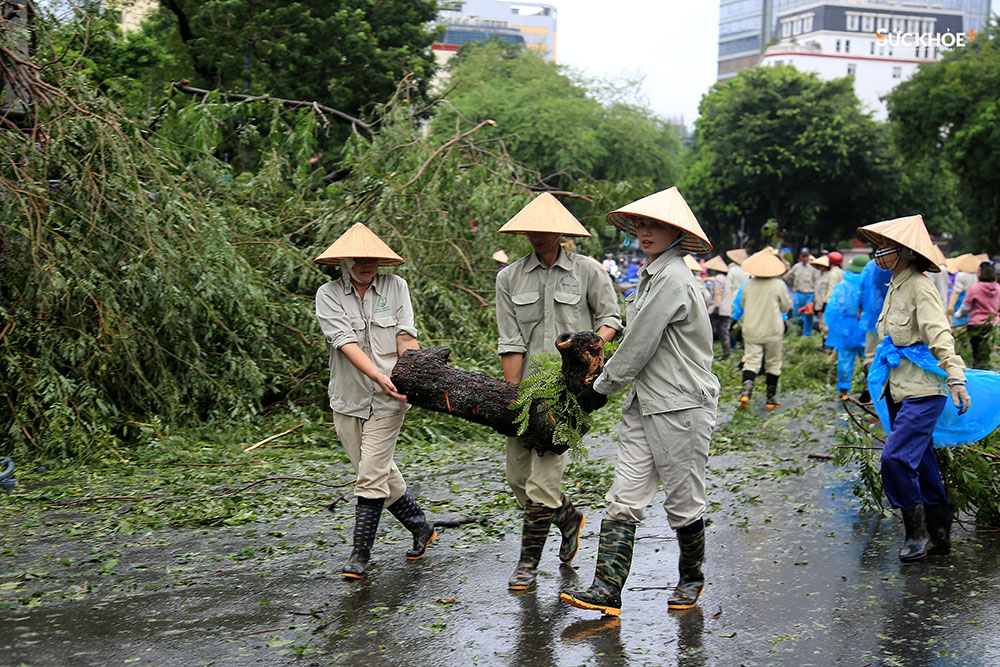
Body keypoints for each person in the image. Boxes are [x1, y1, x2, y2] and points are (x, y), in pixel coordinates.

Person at [561, 187, 719, 617]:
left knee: (683, 501)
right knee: (623, 498)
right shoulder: (651, 275)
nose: (645, 232)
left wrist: (597, 390)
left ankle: (691, 578)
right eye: (641, 225)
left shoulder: (673, 278)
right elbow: (636, 345)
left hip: (681, 406)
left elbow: (639, 344)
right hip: (644, 403)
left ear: (677, 233)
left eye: (656, 225)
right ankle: (606, 589)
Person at [495, 192, 622, 592]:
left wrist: (590, 352)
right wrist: (509, 397)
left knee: (542, 482)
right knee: (517, 476)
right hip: (529, 388)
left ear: (561, 232)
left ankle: (527, 565)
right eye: (530, 229)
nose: (537, 235)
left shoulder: (589, 271)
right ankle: (567, 517)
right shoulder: (509, 277)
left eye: (544, 229)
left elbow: (611, 319)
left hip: (569, 393)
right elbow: (510, 340)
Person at [313, 223, 436, 579]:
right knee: (378, 471)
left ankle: (359, 556)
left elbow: (405, 337)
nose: (367, 264)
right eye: (359, 258)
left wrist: (410, 372)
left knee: (370, 476)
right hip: (348, 399)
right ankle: (420, 526)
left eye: (373, 258)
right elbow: (345, 342)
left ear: (381, 261)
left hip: (390, 399)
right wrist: (377, 375)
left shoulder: (397, 288)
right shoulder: (328, 294)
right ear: (345, 260)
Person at [857, 214, 969, 562]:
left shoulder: (920, 286)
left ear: (904, 252)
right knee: (922, 463)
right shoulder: (894, 286)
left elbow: (939, 334)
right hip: (898, 388)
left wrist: (955, 377)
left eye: (883, 248)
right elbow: (889, 341)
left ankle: (916, 532)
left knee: (894, 459)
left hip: (923, 391)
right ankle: (939, 535)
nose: (878, 254)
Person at [738, 250, 792, 410]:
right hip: (772, 330)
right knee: (773, 363)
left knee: (751, 363)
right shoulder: (778, 285)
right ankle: (770, 399)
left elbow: (742, 304)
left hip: (751, 329)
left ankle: (746, 393)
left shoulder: (747, 285)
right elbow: (785, 306)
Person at [824, 255, 868, 398]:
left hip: (845, 328)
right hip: (864, 327)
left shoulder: (842, 286)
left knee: (845, 359)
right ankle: (870, 388)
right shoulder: (869, 285)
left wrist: (831, 326)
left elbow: (833, 307)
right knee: (869, 358)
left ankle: (843, 390)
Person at [957, 261, 999, 368]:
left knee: (977, 353)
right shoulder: (998, 288)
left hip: (976, 325)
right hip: (993, 325)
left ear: (980, 273)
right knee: (988, 351)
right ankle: (988, 371)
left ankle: (980, 371)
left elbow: (965, 307)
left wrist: (959, 315)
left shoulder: (974, 288)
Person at [784, 247, 821, 337]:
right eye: (803, 256)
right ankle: (796, 332)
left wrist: (816, 297)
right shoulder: (796, 267)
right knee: (796, 315)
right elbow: (787, 277)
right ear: (800, 257)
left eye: (806, 256)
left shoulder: (812, 268)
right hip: (798, 293)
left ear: (808, 257)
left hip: (809, 294)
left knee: (808, 316)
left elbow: (817, 283)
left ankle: (807, 334)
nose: (804, 259)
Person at [705, 255, 732, 360]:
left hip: (717, 309)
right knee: (723, 331)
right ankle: (727, 353)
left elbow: (718, 293)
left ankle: (707, 354)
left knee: (709, 332)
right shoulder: (726, 279)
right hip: (726, 310)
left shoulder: (718, 279)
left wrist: (716, 307)